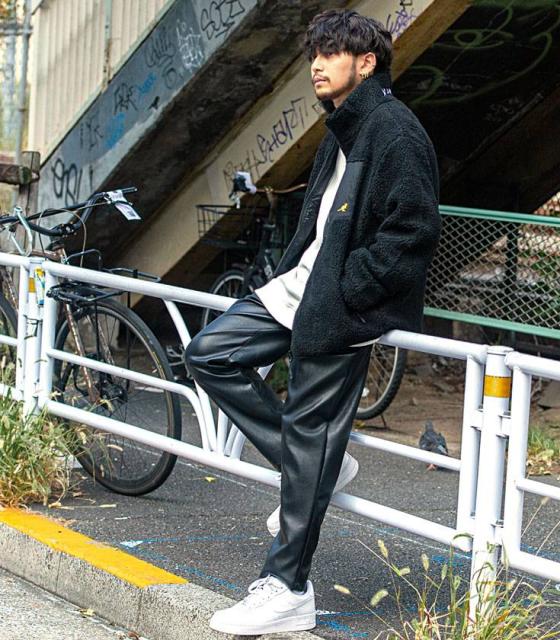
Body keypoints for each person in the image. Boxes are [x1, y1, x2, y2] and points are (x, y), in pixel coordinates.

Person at [185, 8, 441, 636]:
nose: (317, 66)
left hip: (337, 308)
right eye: (314, 55)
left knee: (309, 435)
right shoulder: (342, 128)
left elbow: (412, 234)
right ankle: (317, 461)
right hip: (299, 291)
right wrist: (302, 277)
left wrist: (348, 293)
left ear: (367, 62)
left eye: (331, 54)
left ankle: (288, 589)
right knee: (209, 353)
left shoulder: (395, 131)